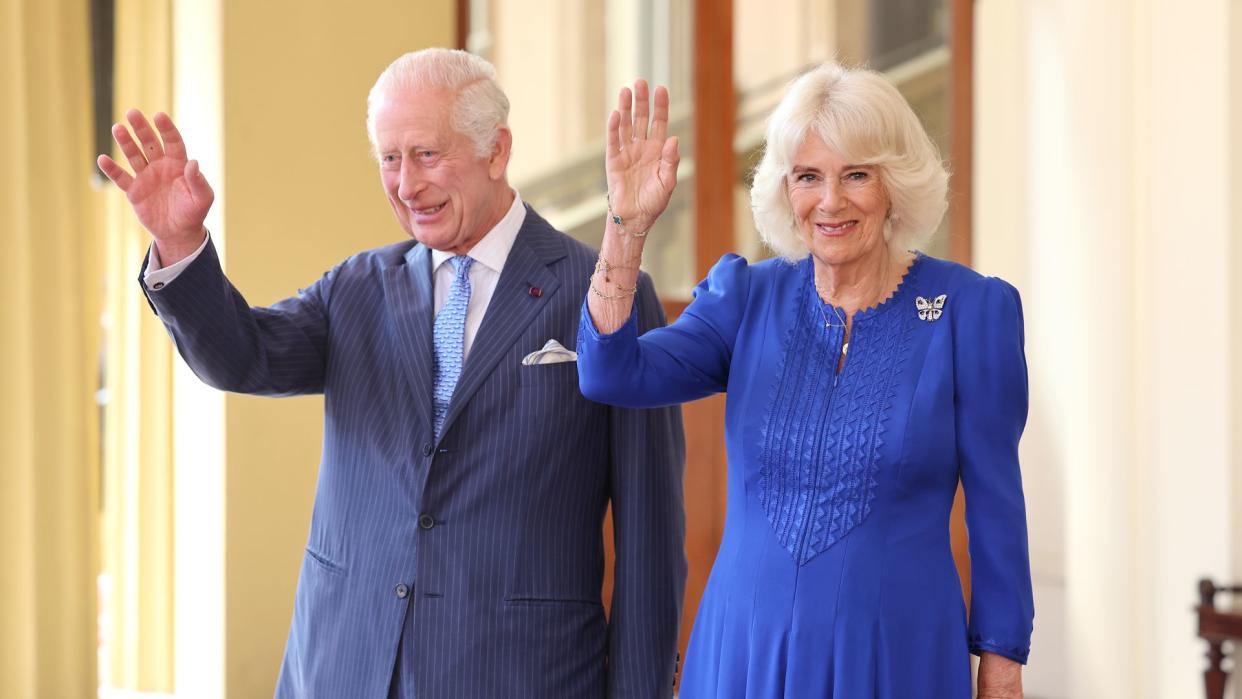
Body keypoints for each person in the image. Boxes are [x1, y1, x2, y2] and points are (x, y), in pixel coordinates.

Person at [97, 48, 687, 698]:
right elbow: (242, 354)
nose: (406, 185)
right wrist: (181, 246)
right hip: (343, 667)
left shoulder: (605, 294)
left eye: (426, 155)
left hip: (523, 675)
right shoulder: (356, 287)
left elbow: (650, 545)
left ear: (497, 150)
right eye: (389, 158)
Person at [577, 63, 1034, 698]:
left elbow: (996, 507)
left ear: (894, 184)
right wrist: (625, 225)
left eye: (856, 175)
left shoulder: (969, 311)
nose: (830, 201)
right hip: (744, 651)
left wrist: (1002, 663)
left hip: (894, 656)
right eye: (808, 177)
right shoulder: (745, 297)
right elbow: (610, 373)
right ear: (785, 190)